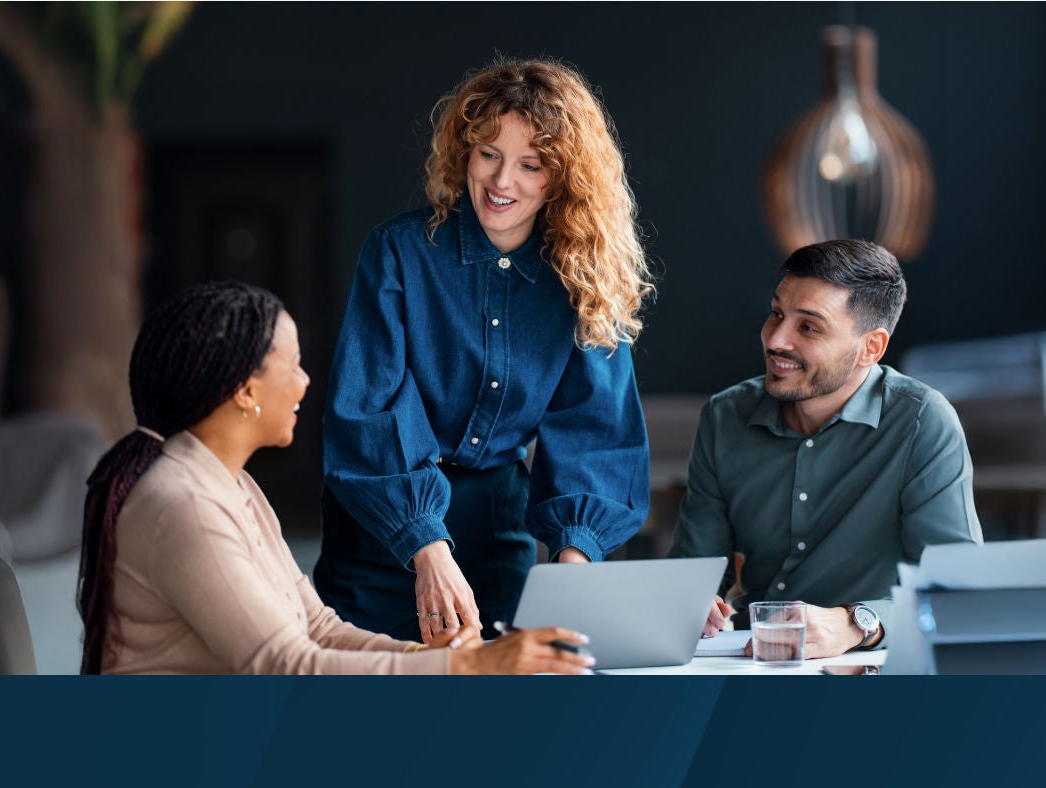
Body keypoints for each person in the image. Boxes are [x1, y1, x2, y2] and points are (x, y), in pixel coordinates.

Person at [75, 281, 594, 675]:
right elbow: (287, 664)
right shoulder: (182, 504)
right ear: (245, 392)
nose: (305, 383)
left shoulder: (229, 485)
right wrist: (466, 668)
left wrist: (446, 657)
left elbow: (318, 628)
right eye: (293, 365)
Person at [314, 58, 654, 644]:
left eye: (532, 164)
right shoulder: (397, 253)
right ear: (463, 151)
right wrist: (424, 544)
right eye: (489, 154)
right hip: (382, 525)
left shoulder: (584, 278)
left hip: (499, 527)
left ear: (564, 176)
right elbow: (370, 408)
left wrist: (571, 564)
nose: (502, 182)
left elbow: (597, 429)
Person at [669, 240, 982, 659]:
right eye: (777, 313)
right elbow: (692, 572)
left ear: (870, 348)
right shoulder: (725, 416)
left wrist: (856, 623)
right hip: (754, 662)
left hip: (872, 668)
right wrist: (690, 602)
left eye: (809, 327)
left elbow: (959, 590)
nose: (775, 339)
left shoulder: (921, 421)